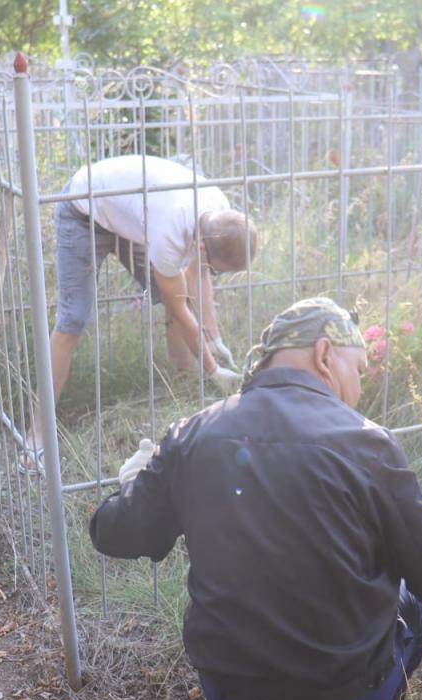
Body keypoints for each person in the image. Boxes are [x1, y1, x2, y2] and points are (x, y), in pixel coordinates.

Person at [89, 297, 422, 700]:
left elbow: (114, 533)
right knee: (413, 600)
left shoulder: (191, 434)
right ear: (325, 353)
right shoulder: (367, 443)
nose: (358, 387)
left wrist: (135, 482)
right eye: (359, 367)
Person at [22, 154, 258, 471]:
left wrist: (214, 338)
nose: (214, 273)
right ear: (203, 248)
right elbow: (179, 300)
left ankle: (185, 386)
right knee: (73, 319)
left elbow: (199, 273)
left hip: (130, 211)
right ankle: (36, 433)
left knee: (174, 294)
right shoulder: (171, 229)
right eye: (219, 269)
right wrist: (214, 370)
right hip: (85, 207)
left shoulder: (218, 209)